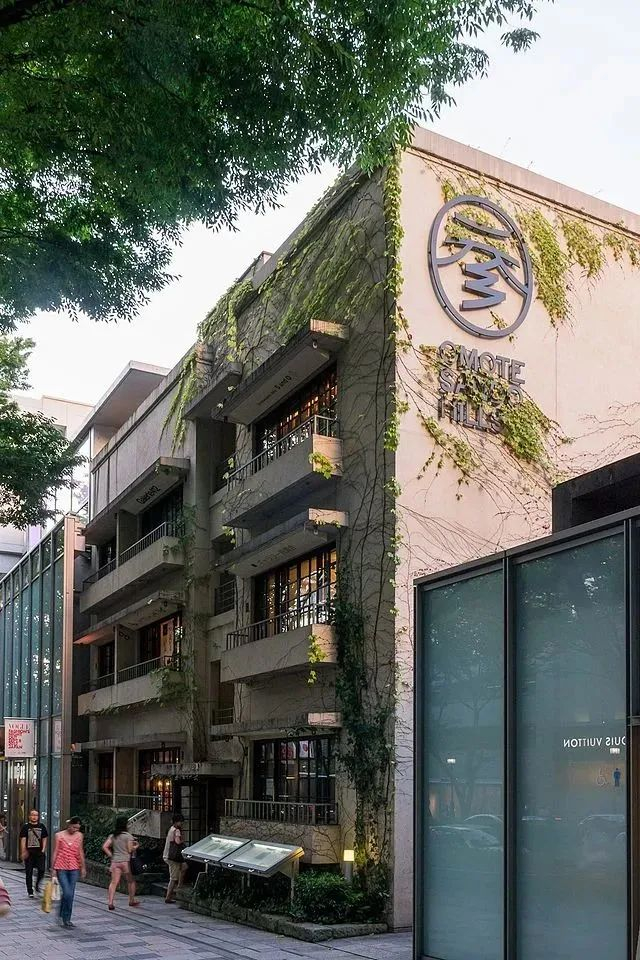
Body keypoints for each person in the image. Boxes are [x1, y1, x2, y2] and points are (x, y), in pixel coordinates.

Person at [52, 816, 86, 929]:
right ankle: (63, 913)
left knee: (71, 893)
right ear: (69, 825)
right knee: (67, 892)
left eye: (78, 828)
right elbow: (56, 851)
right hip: (61, 866)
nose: (75, 830)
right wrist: (53, 869)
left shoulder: (79, 836)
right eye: (74, 827)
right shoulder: (59, 835)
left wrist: (83, 867)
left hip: (74, 867)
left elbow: (80, 851)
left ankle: (67, 918)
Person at [101, 816, 140, 911]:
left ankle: (110, 902)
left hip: (115, 861)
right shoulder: (128, 836)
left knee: (114, 882)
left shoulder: (113, 836)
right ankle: (131, 900)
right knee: (131, 881)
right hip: (125, 861)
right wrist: (136, 846)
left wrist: (111, 855)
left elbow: (105, 846)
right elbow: (130, 850)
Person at [19, 809, 48, 898]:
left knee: (42, 870)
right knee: (29, 872)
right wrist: (23, 851)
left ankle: (37, 885)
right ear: (29, 816)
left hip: (39, 852)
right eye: (32, 815)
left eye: (36, 815)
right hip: (29, 852)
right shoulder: (25, 827)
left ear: (38, 817)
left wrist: (43, 849)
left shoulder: (42, 826)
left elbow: (44, 838)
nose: (34, 817)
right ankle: (30, 891)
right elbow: (23, 839)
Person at [163, 814, 187, 904]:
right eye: (181, 822)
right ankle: (168, 897)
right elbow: (177, 842)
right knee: (173, 878)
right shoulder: (176, 830)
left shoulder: (171, 829)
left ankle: (179, 886)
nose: (182, 823)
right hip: (173, 857)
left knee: (184, 867)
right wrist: (182, 840)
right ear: (177, 822)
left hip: (169, 855)